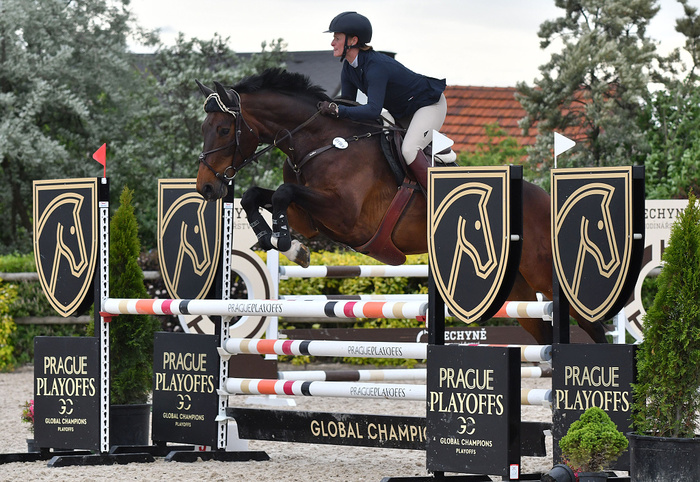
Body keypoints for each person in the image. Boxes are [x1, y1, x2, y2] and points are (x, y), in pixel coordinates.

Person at [319, 11, 455, 192]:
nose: (332, 43)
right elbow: (348, 102)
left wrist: (338, 110)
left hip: (429, 105)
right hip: (403, 111)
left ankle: (439, 195)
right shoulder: (349, 68)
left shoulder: (376, 67)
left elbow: (373, 110)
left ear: (353, 40)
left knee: (409, 150)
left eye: (337, 38)